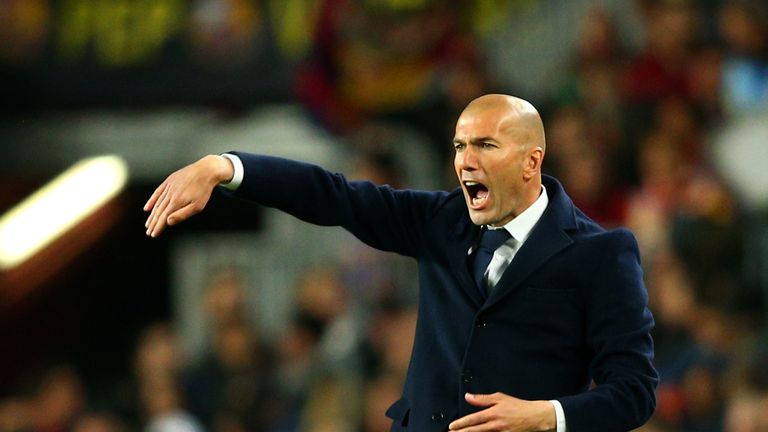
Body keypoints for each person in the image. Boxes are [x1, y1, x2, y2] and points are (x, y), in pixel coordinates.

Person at [144, 94, 658, 431]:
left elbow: (634, 390)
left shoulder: (601, 254)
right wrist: (226, 167)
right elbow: (335, 195)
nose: (465, 161)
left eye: (485, 145)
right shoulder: (441, 220)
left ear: (531, 160)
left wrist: (548, 415)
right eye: (459, 146)